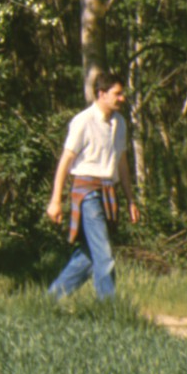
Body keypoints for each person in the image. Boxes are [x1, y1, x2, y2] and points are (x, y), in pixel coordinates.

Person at [46, 71, 135, 302]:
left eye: (122, 93)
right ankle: (110, 311)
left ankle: (50, 300)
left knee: (88, 256)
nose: (122, 98)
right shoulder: (83, 121)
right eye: (117, 94)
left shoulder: (119, 123)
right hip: (87, 191)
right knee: (103, 254)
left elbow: (122, 164)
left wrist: (131, 200)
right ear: (101, 94)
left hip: (109, 191)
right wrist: (55, 201)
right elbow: (65, 162)